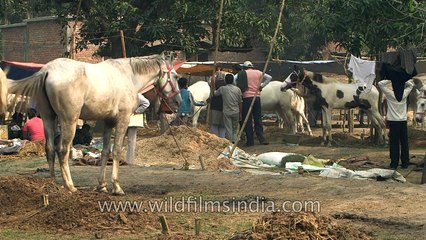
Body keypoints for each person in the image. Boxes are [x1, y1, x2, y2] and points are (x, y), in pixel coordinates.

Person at [378, 79, 415, 169]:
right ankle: (405, 163)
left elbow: (380, 84)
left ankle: (394, 163)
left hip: (393, 121)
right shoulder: (404, 94)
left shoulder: (390, 94)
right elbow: (411, 85)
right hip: (403, 121)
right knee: (404, 142)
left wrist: (391, 78)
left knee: (394, 143)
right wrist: (403, 78)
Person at [235, 61, 272, 146]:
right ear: (252, 66)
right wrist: (261, 86)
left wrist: (238, 88)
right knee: (258, 118)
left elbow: (233, 79)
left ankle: (250, 141)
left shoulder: (242, 73)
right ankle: (261, 139)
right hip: (257, 98)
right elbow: (269, 77)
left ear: (244, 67)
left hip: (246, 98)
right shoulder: (258, 72)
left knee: (247, 120)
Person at [214, 74, 242, 143]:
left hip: (227, 112)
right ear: (233, 80)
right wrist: (240, 113)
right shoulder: (238, 89)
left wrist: (212, 85)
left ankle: (230, 143)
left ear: (225, 81)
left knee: (228, 128)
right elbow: (240, 102)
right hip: (236, 111)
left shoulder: (222, 88)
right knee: (235, 129)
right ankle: (234, 141)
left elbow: (215, 94)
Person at [125, 93, 150, 164]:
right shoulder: (137, 95)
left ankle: (123, 160)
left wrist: (137, 111)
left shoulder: (136, 95)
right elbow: (146, 103)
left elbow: (146, 103)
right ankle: (129, 161)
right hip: (131, 119)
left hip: (127, 119)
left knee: (122, 140)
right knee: (131, 141)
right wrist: (137, 111)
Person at [210, 71, 227, 138]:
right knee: (222, 126)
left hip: (215, 106)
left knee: (214, 125)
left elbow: (212, 93)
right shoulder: (226, 84)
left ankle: (215, 138)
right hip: (224, 106)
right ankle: (222, 138)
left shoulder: (215, 83)